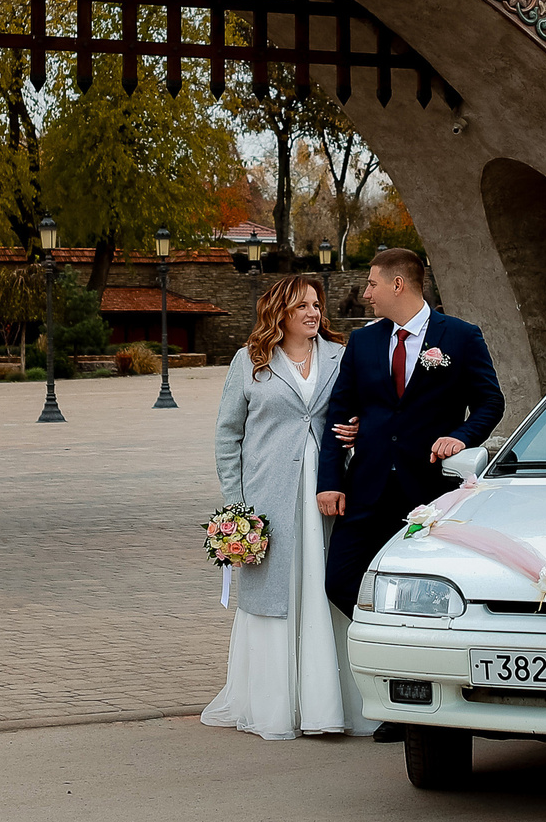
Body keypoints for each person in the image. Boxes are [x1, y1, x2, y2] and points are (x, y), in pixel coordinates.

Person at [319, 247, 503, 738]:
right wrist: (331, 481)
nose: (366, 293)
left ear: (398, 284)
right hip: (369, 487)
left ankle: (416, 705)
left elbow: (491, 402)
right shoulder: (363, 342)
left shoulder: (460, 337)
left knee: (430, 593)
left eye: (372, 284)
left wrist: (462, 437)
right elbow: (340, 413)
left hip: (431, 494)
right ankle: (403, 671)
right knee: (340, 580)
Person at [203, 276, 376, 739]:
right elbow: (227, 436)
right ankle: (274, 706)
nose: (313, 313)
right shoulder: (251, 362)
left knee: (328, 590)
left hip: (328, 494)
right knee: (275, 597)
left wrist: (360, 434)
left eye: (316, 305)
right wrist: (236, 506)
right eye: (302, 306)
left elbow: (363, 413)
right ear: (280, 312)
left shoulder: (342, 357)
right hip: (269, 498)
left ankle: (331, 706)